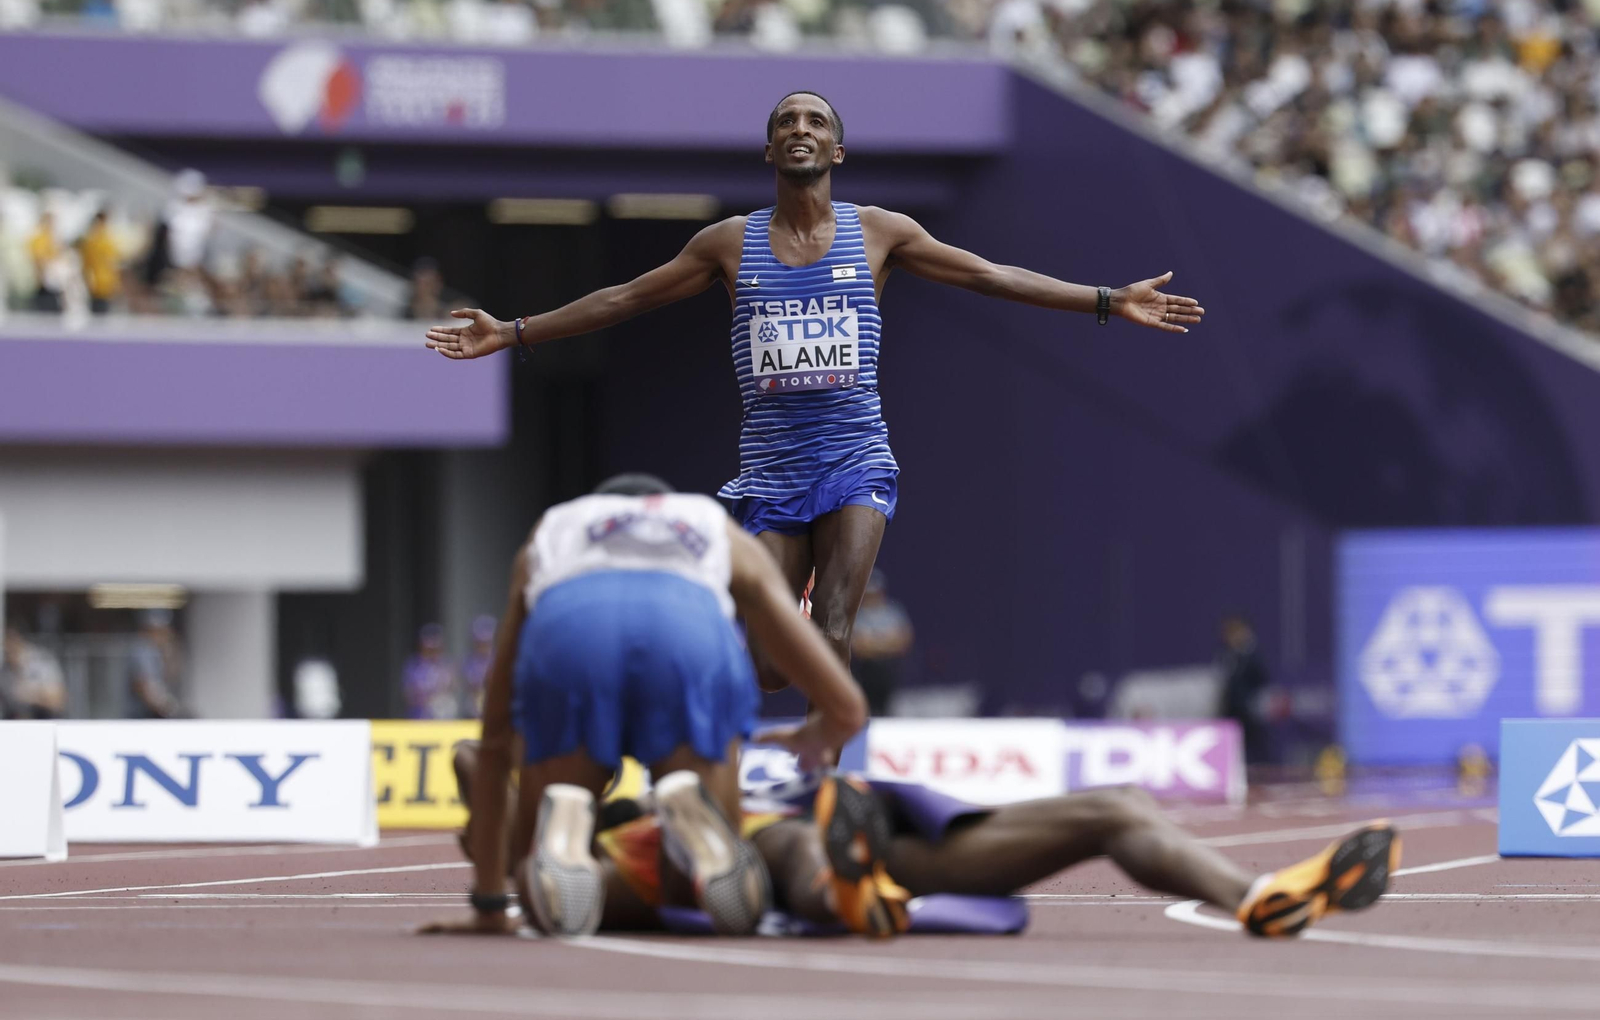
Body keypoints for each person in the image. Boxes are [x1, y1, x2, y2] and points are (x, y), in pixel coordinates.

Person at [425, 92, 1206, 690]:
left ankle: (827, 797)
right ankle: (785, 630)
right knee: (772, 667)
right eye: (787, 121)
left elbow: (991, 276)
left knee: (833, 627)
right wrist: (514, 331)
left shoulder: (881, 232)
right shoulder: (729, 243)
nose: (801, 128)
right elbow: (625, 298)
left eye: (816, 121)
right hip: (771, 473)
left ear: (837, 148)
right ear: (770, 149)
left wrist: (1106, 299)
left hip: (857, 460)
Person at [426, 473, 869, 940]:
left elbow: (494, 737)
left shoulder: (555, 528)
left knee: (537, 881)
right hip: (685, 629)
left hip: (573, 628)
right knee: (704, 874)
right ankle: (693, 826)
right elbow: (840, 699)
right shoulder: (708, 522)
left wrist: (490, 905)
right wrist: (827, 724)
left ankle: (566, 825)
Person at [450, 743, 1400, 941]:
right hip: (736, 854)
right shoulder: (613, 812)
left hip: (868, 827)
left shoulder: (697, 740)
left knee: (1117, 803)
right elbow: (467, 764)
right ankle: (849, 888)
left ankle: (1260, 895)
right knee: (791, 851)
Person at [850, 568, 912, 716]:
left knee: (890, 710)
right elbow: (859, 647)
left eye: (875, 593)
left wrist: (873, 643)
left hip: (890, 671)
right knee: (865, 709)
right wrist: (887, 641)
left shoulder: (893, 611)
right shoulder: (857, 615)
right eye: (869, 594)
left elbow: (904, 640)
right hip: (865, 671)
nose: (873, 597)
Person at [1216, 615, 1270, 765]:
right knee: (1234, 747)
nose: (1232, 637)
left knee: (1258, 747)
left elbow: (1262, 679)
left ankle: (1265, 770)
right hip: (1232, 711)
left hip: (1249, 712)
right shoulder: (1227, 655)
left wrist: (1251, 701)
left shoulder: (1252, 655)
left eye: (1236, 632)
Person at [2, 624, 67, 719]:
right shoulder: (4, 669)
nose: (7, 649)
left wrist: (30, 695)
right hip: (15, 720)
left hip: (42, 718)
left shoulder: (42, 661)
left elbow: (58, 701)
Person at [127, 610, 183, 719]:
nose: (165, 635)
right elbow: (143, 686)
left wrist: (169, 651)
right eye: (160, 631)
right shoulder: (141, 650)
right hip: (139, 716)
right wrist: (168, 709)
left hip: (153, 713)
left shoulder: (157, 651)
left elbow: (171, 676)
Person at [401, 623, 460, 720]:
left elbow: (453, 687)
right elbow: (408, 694)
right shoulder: (413, 665)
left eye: (435, 648)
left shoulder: (447, 664)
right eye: (429, 648)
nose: (432, 651)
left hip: (442, 716)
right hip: (419, 715)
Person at [79, 209, 121, 316]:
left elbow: (85, 264)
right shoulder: (106, 240)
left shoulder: (91, 240)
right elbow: (112, 263)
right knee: (102, 313)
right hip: (103, 283)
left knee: (96, 312)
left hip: (94, 282)